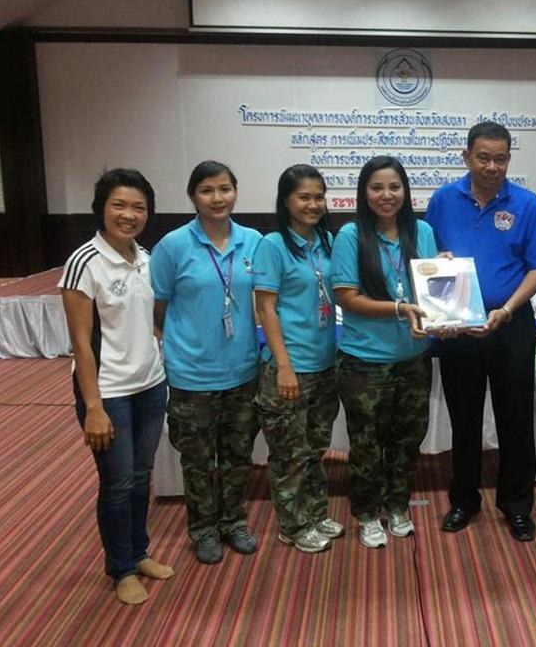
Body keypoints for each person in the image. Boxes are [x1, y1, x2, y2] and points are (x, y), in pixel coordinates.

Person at [425, 121, 536, 542]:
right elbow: (428, 258)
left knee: (516, 418)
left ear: (509, 160)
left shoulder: (527, 203)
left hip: (511, 325)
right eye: (483, 158)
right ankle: (464, 501)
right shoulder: (443, 200)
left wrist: (507, 310)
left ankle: (517, 506)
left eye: (500, 159)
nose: (492, 166)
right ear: (466, 157)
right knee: (463, 419)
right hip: (458, 327)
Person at [59, 168, 172, 605]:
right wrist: (94, 407)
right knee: (117, 483)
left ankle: (139, 552)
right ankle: (121, 568)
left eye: (139, 207)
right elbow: (81, 344)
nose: (129, 214)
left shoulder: (145, 257)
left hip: (150, 385)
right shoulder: (84, 262)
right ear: (101, 208)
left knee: (142, 477)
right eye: (119, 205)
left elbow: (150, 320)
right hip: (109, 394)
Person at [150, 160, 262, 564]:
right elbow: (157, 307)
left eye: (225, 189)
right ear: (193, 197)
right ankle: (203, 530)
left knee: (237, 456)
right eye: (207, 190)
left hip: (243, 370)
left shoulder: (253, 241)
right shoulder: (173, 246)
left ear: (236, 192)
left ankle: (234, 522)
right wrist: (179, 345)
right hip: (192, 374)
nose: (218, 198)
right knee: (198, 460)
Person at [330, 156, 437, 549]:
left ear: (405, 191)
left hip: (413, 357)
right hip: (364, 362)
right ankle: (366, 511)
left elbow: (430, 289)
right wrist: (399, 308)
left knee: (407, 439)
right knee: (367, 443)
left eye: (394, 187)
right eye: (377, 187)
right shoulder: (350, 236)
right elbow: (347, 297)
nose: (386, 195)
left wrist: (444, 276)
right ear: (364, 193)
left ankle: (397, 505)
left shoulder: (422, 231)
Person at [252, 165, 342, 554]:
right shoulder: (273, 245)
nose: (313, 204)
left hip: (324, 363)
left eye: (319, 197)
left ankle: (316, 514)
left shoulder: (328, 241)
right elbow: (266, 309)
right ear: (286, 200)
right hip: (289, 367)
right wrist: (283, 366)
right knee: (290, 453)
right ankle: (292, 525)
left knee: (315, 448)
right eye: (304, 197)